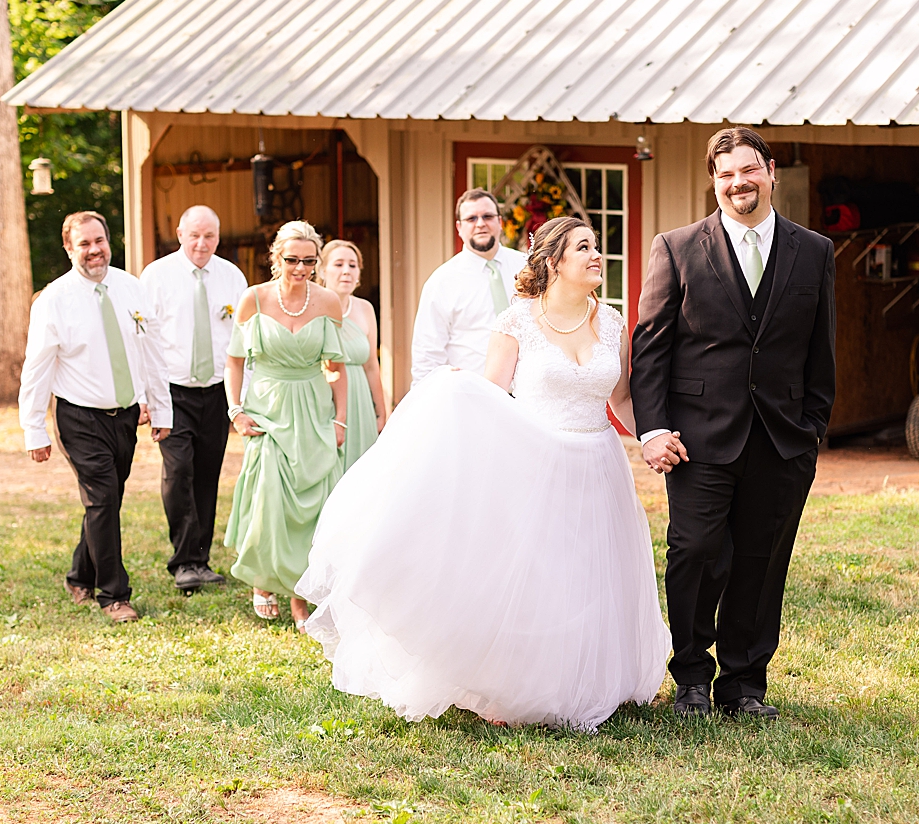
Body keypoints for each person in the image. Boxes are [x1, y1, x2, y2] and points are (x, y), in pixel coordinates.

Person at [298, 216, 670, 732]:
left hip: (600, 464)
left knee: (594, 574)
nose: (596, 256)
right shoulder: (515, 321)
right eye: (584, 248)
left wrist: (652, 437)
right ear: (554, 261)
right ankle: (517, 684)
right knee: (537, 575)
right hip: (537, 461)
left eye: (596, 247)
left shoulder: (610, 321)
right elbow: (492, 394)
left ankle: (591, 679)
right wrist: (454, 391)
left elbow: (622, 399)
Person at [631, 127, 836, 721]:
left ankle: (746, 683)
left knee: (761, 559)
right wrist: (652, 429)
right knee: (694, 553)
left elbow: (820, 350)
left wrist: (811, 428)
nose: (737, 183)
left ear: (770, 172)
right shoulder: (676, 247)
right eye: (724, 174)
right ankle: (692, 676)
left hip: (781, 440)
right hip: (696, 439)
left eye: (748, 170)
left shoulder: (813, 251)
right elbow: (651, 348)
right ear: (713, 181)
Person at [20, 211, 172, 623]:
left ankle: (79, 574)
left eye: (99, 241)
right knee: (103, 499)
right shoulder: (54, 299)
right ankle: (114, 596)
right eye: (84, 244)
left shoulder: (131, 287)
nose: (94, 250)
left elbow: (152, 352)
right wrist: (33, 428)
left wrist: (160, 405)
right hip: (78, 417)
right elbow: (37, 367)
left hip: (125, 415)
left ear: (109, 241)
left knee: (106, 502)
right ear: (69, 249)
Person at [225, 220, 347, 629]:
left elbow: (337, 368)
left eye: (309, 261)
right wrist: (236, 410)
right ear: (276, 257)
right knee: (268, 500)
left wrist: (340, 420)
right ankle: (263, 580)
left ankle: (301, 592)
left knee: (313, 505)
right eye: (292, 259)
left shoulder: (329, 301)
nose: (300, 268)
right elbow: (235, 360)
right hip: (268, 410)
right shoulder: (253, 300)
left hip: (313, 408)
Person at [141, 205, 249, 593]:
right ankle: (184, 560)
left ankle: (200, 560)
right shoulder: (156, 276)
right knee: (178, 472)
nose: (202, 244)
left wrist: (242, 397)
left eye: (210, 236)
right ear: (180, 233)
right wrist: (145, 395)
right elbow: (142, 340)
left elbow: (244, 341)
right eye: (194, 235)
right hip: (172, 390)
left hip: (217, 390)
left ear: (218, 237)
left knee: (207, 473)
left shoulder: (232, 277)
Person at [409, 188, 528, 385]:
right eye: (471, 219)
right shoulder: (441, 282)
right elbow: (427, 353)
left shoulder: (527, 267)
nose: (480, 224)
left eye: (488, 216)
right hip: (472, 392)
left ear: (500, 222)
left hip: (528, 392)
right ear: (459, 227)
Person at [318, 239, 388, 468]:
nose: (346, 271)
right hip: (324, 401)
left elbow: (371, 365)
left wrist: (380, 412)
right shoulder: (313, 309)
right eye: (338, 264)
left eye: (353, 265)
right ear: (322, 270)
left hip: (361, 404)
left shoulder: (365, 308)